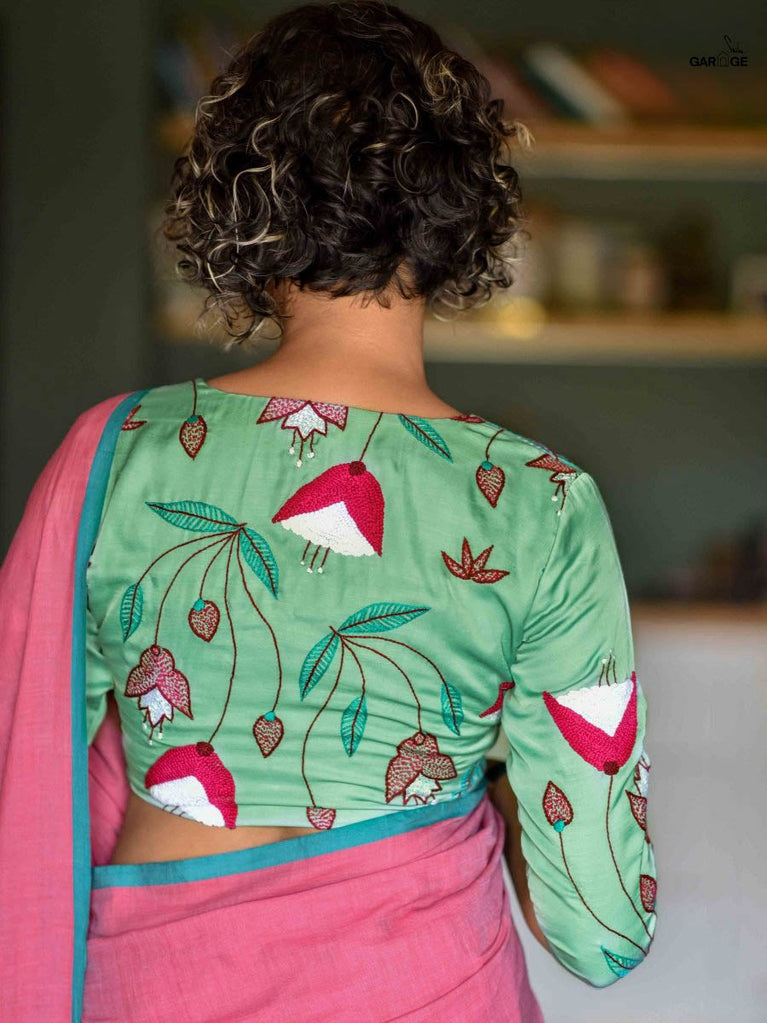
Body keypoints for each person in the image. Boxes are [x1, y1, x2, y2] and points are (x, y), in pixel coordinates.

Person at [0, 2, 657, 1019]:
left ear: (234, 206)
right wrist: (496, 780)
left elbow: (24, 787)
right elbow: (600, 929)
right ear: (462, 217)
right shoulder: (542, 503)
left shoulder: (113, 454)